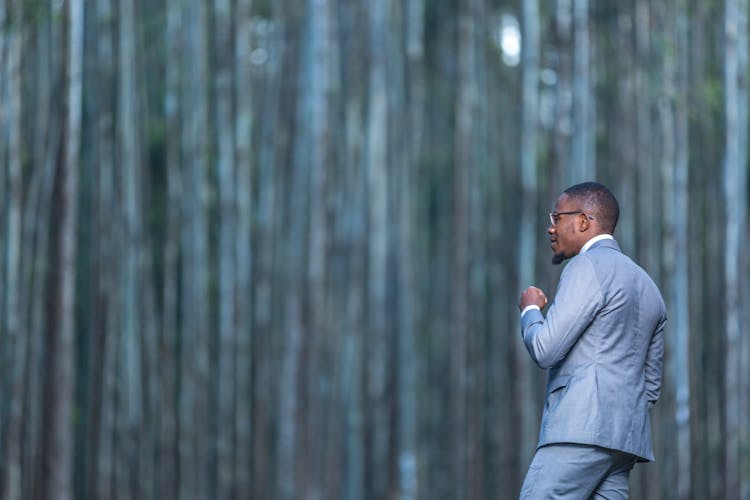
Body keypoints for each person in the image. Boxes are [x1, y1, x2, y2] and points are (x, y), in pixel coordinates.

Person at [517, 181, 666, 499]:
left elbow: (545, 348)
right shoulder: (650, 288)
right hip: (625, 440)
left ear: (583, 221)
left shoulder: (585, 266)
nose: (550, 228)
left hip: (578, 430)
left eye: (556, 217)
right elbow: (650, 387)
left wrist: (530, 310)